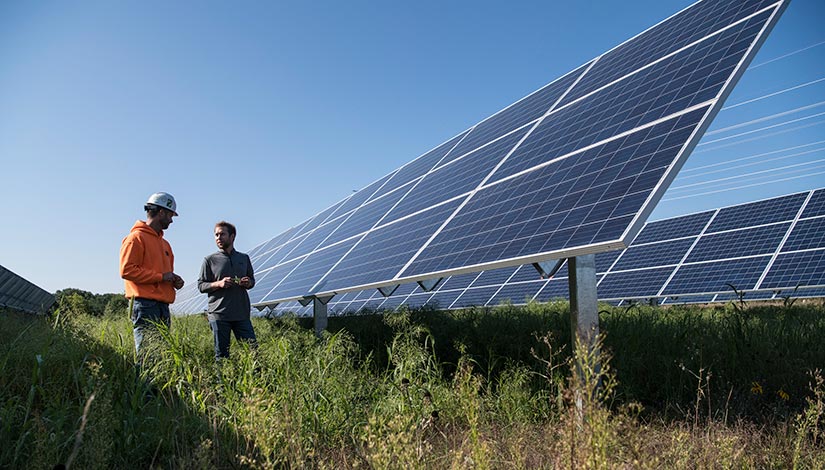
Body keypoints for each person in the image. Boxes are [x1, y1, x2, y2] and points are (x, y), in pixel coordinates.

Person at [119, 192, 185, 361]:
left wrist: (173, 280)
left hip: (162, 305)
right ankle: (145, 388)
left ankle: (156, 388)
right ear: (161, 212)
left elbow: (162, 274)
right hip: (145, 305)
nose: (171, 220)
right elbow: (127, 270)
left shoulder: (165, 244)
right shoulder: (135, 238)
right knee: (148, 357)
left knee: (161, 356)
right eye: (170, 215)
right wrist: (161, 277)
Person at [198, 221, 257, 360]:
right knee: (222, 355)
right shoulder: (210, 260)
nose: (218, 238)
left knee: (252, 352)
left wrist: (248, 283)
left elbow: (252, 281)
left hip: (241, 314)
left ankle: (253, 381)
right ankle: (222, 381)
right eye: (216, 235)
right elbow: (201, 286)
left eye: (222, 234)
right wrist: (219, 284)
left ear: (232, 237)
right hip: (219, 315)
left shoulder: (244, 258)